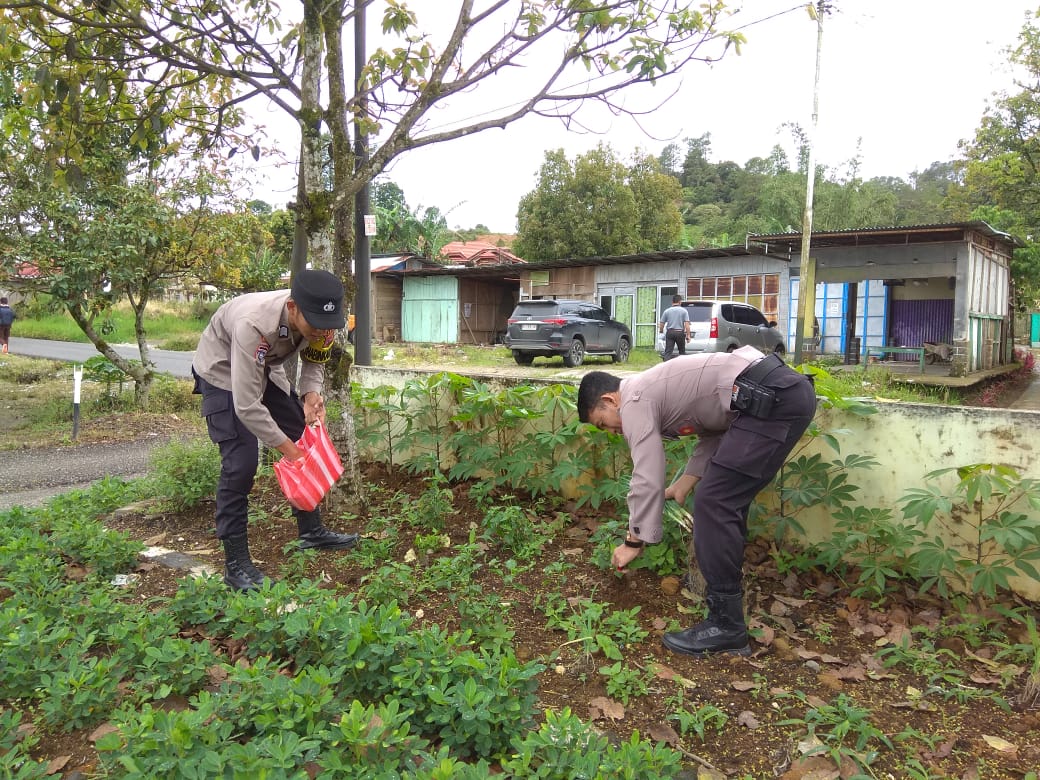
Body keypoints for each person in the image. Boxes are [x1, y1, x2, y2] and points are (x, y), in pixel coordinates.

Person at [577, 346, 816, 657]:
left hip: (771, 399)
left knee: (715, 503)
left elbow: (647, 474)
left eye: (603, 422)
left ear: (610, 400)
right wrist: (684, 483)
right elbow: (715, 430)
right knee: (723, 501)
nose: (611, 431)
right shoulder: (654, 390)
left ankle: (727, 626)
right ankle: (728, 613)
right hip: (779, 395)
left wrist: (633, 541)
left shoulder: (634, 397)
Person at [192, 269, 360, 590]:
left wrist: (311, 393)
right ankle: (236, 564)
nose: (324, 332)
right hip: (222, 371)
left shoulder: (321, 321)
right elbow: (247, 405)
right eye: (316, 325)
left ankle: (310, 532)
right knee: (241, 463)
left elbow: (315, 357)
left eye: (330, 327)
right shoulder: (254, 326)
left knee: (300, 430)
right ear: (293, 307)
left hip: (264, 366)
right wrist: (289, 452)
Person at [658, 295, 690, 361]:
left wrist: (661, 331)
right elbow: (687, 324)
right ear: (680, 302)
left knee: (668, 352)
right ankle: (682, 367)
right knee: (682, 352)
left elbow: (661, 323)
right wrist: (688, 335)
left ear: (672, 302)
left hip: (670, 332)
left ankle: (666, 367)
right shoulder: (684, 311)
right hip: (680, 332)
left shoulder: (667, 311)